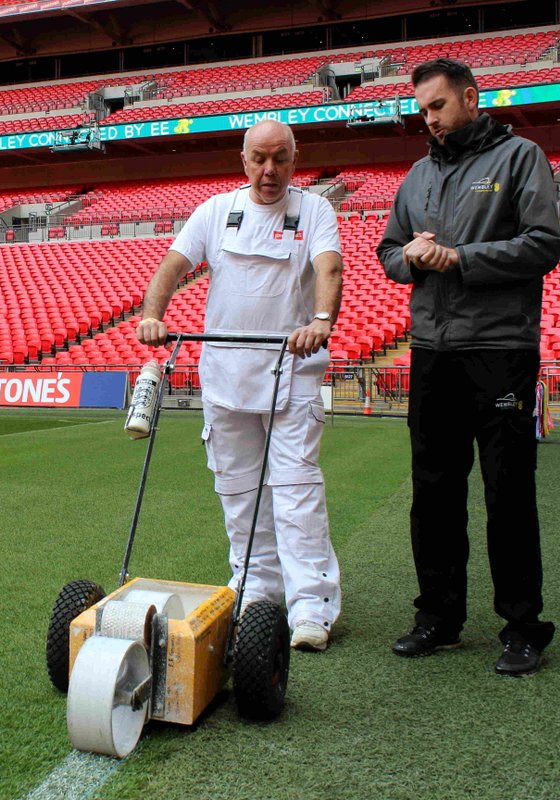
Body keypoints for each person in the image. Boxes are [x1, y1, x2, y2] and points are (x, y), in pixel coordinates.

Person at [376, 58, 560, 676]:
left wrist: (458, 257)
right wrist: (412, 257)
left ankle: (522, 626)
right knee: (433, 489)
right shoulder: (417, 175)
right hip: (432, 351)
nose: (428, 121)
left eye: (437, 107)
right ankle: (438, 617)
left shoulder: (520, 157)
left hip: (500, 349)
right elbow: (387, 252)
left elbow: (543, 244)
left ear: (471, 98)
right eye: (422, 111)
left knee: (507, 488)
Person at [137, 119, 344, 652]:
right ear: (244, 159)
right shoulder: (215, 211)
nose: (269, 170)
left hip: (290, 373)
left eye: (279, 158)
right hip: (225, 377)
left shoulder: (314, 210)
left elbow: (330, 268)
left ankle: (311, 608)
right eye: (259, 158)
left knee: (295, 493)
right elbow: (172, 265)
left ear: (295, 161)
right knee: (238, 492)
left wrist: (321, 319)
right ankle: (254, 591)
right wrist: (153, 315)